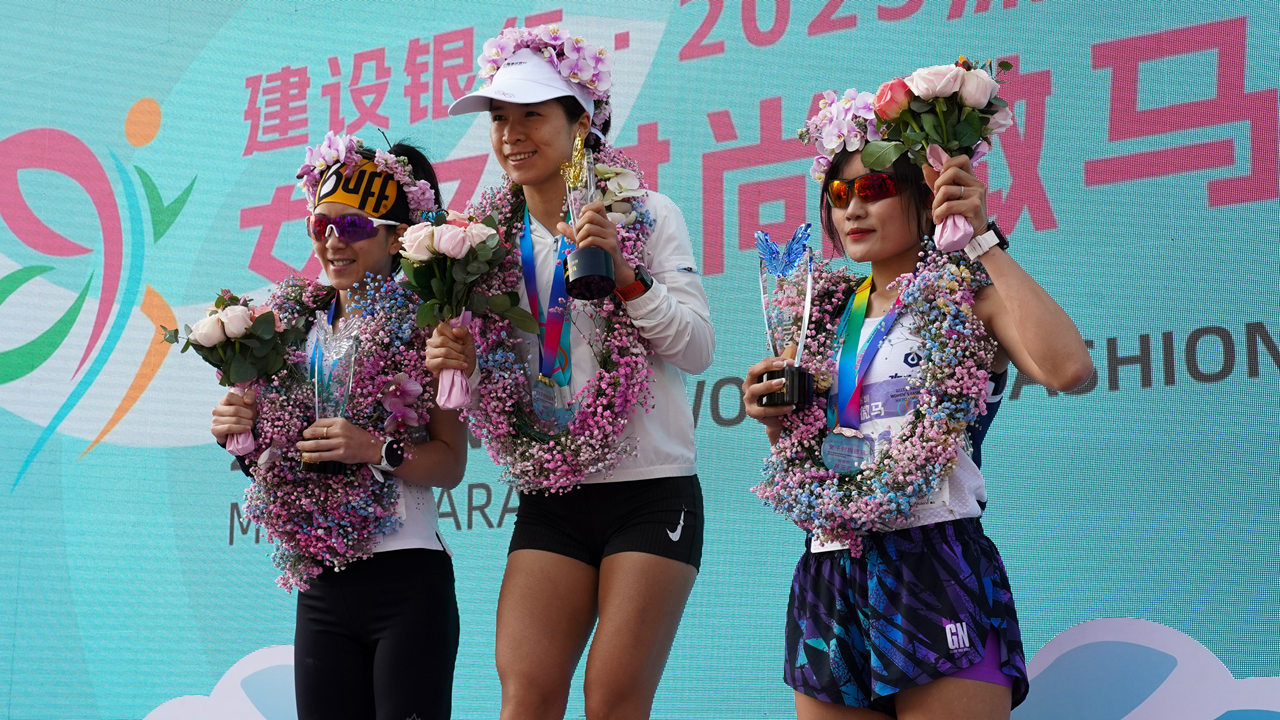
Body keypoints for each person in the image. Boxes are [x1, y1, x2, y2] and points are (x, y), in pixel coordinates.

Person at [742, 89, 1094, 720]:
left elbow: (1070, 370)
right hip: (830, 570)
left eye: (874, 187)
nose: (853, 208)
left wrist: (981, 241)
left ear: (924, 193)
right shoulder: (818, 316)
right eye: (840, 195)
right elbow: (813, 459)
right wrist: (775, 424)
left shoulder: (968, 298)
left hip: (934, 558)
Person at [431, 25, 715, 720]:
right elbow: (488, 390)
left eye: (532, 114)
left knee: (611, 701)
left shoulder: (648, 215)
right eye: (499, 118)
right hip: (552, 496)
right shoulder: (480, 245)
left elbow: (698, 349)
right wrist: (456, 364)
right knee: (525, 697)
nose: (510, 134)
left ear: (581, 123)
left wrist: (627, 278)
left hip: (650, 494)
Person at [209, 134, 465, 720]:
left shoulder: (434, 321)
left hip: (407, 579)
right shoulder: (289, 328)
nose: (331, 240)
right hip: (321, 586)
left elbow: (451, 462)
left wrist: (376, 448)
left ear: (398, 236)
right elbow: (273, 452)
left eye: (351, 226)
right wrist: (237, 428)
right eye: (320, 224)